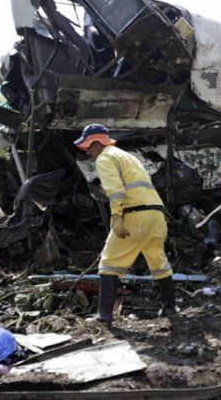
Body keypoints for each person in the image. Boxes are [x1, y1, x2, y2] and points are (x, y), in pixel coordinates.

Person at [75, 124, 176, 326]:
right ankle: (170, 307)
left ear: (96, 143)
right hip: (156, 214)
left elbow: (116, 190)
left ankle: (103, 316)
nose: (87, 151)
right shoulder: (127, 156)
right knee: (158, 261)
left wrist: (116, 216)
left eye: (87, 146)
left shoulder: (105, 158)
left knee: (109, 263)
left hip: (134, 214)